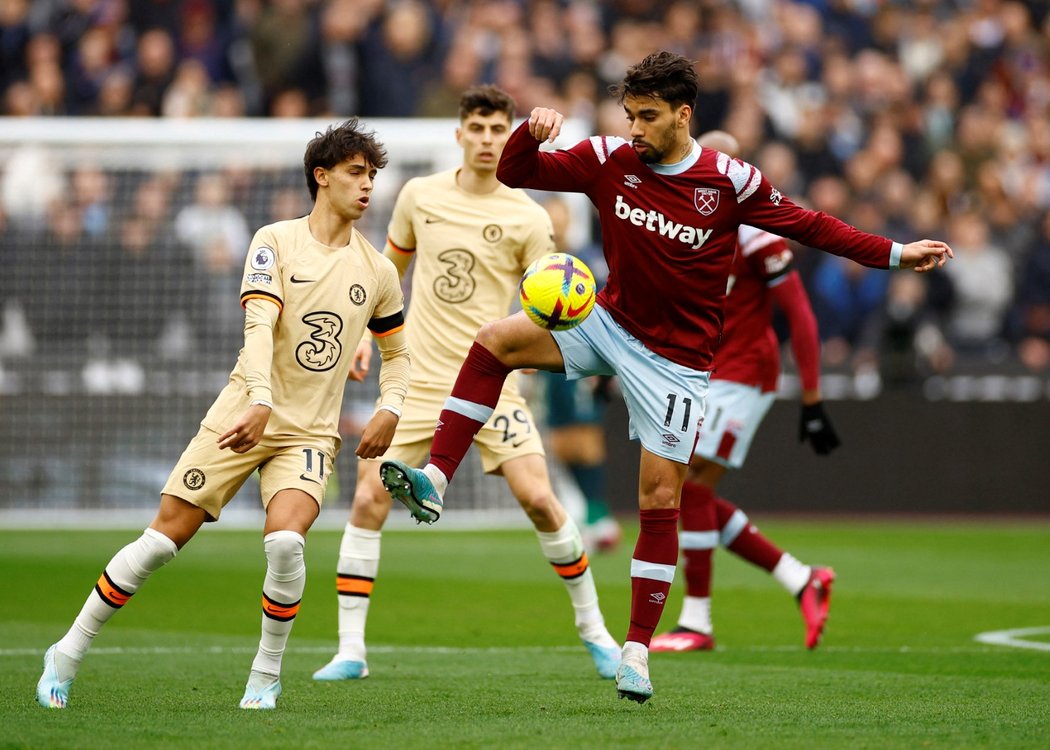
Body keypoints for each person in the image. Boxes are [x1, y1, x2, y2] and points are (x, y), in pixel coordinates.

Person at [378, 51, 953, 704]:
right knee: (494, 343)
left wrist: (899, 254)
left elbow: (812, 226)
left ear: (684, 116)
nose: (634, 130)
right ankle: (437, 478)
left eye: (647, 118)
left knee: (659, 500)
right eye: (629, 115)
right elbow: (520, 172)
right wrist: (525, 136)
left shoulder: (729, 183)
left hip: (676, 365)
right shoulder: (609, 160)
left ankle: (636, 652)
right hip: (607, 322)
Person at [36, 119, 410, 711]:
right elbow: (258, 327)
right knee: (163, 541)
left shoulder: (379, 270)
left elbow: (397, 354)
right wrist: (260, 399)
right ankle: (67, 651)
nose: (368, 187)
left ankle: (265, 675)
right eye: (356, 174)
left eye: (372, 176)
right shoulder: (274, 240)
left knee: (286, 542)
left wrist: (390, 408)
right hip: (243, 411)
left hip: (308, 432)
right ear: (322, 177)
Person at [312, 86, 621, 684]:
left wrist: (541, 345)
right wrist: (357, 334)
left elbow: (548, 298)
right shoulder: (418, 195)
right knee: (370, 498)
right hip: (419, 378)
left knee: (539, 498)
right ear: (459, 134)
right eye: (475, 128)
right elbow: (386, 272)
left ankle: (596, 632)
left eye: (496, 130)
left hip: (493, 383)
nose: (485, 139)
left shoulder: (528, 216)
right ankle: (350, 649)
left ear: (508, 136)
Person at [649, 130, 840, 655]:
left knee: (688, 487)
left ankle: (698, 621)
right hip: (704, 372)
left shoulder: (756, 232)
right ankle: (801, 579)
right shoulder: (679, 224)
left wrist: (813, 398)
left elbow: (799, 312)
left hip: (745, 373)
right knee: (692, 491)